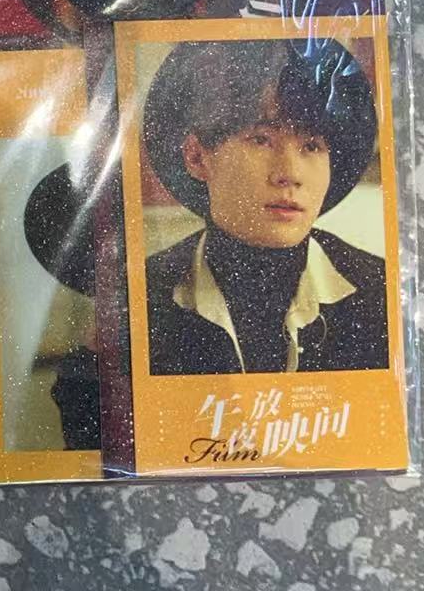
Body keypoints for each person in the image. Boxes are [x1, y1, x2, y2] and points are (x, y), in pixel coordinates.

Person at [140, 38, 388, 376]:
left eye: (312, 146)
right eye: (261, 139)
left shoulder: (383, 293)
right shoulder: (141, 294)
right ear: (196, 157)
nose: (290, 174)